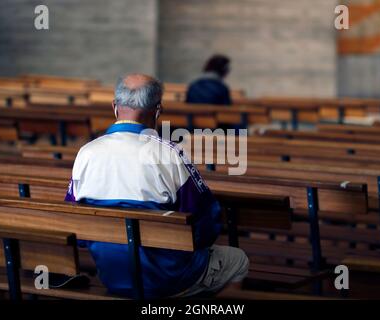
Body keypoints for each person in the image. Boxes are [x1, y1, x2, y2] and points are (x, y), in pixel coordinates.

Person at [65, 74, 248, 298]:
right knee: (238, 260)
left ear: (114, 107)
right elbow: (206, 222)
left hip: (111, 275)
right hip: (167, 279)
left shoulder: (86, 153)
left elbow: (75, 223)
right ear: (158, 110)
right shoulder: (168, 153)